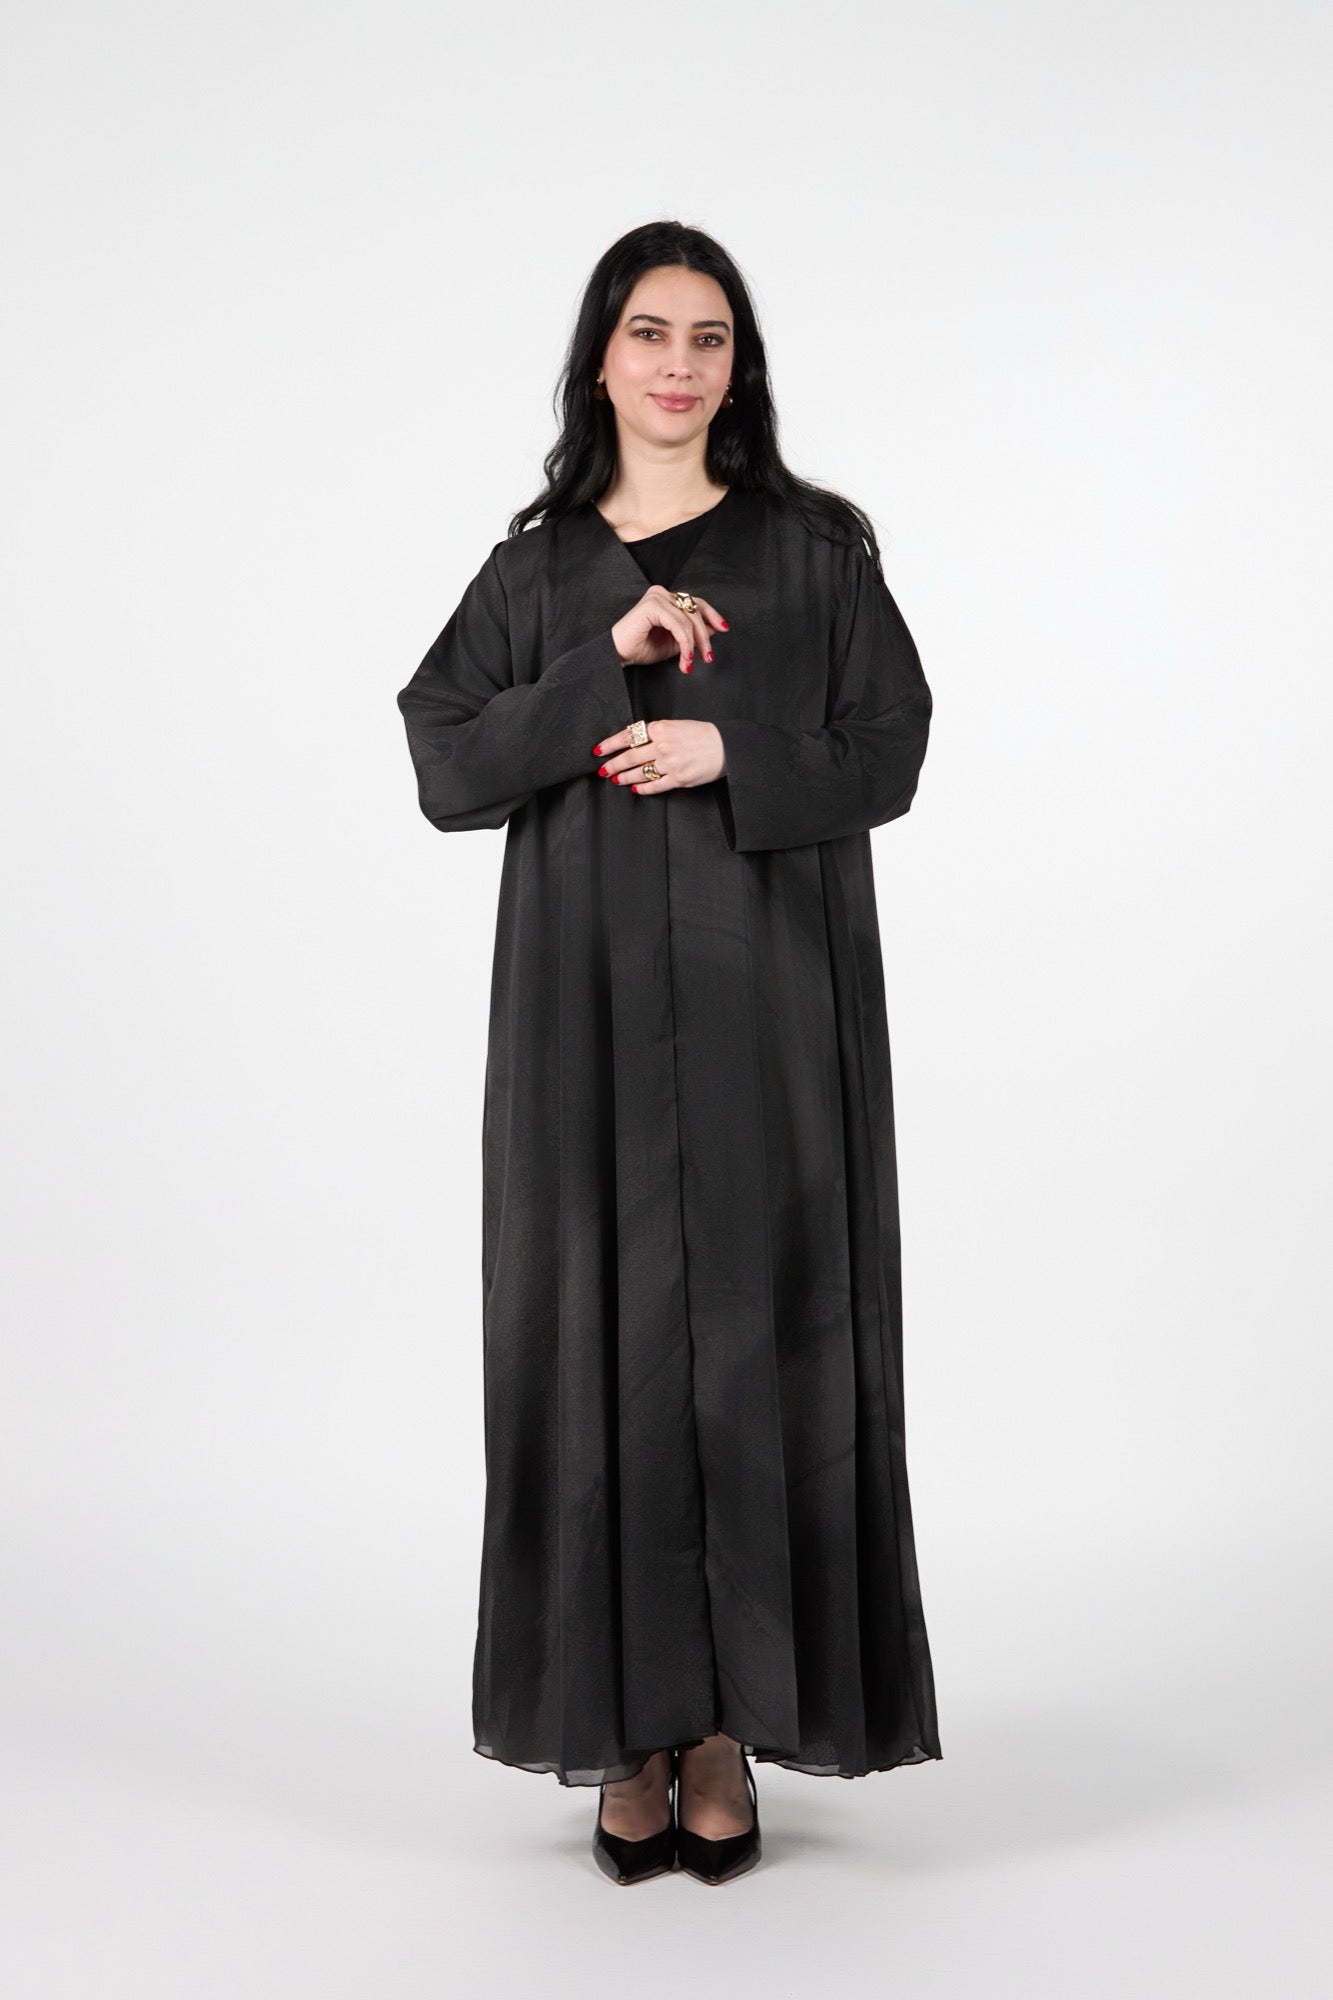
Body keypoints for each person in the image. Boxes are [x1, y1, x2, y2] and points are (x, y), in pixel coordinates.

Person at [395, 219, 941, 1885]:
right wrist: (600, 671)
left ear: (738, 368)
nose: (678, 365)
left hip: (771, 1018)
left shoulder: (813, 553)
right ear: (600, 360)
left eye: (709, 338)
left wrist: (729, 748)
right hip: (584, 1031)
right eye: (650, 333)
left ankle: (725, 1732)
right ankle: (627, 1728)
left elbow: (890, 745)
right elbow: (443, 761)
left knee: (765, 1340)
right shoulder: (536, 573)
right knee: (598, 1341)